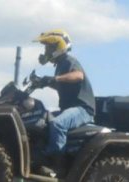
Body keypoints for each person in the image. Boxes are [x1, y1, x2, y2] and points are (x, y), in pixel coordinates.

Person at [33, 30, 95, 172]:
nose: (46, 51)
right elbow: (60, 84)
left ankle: (56, 162)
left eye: (49, 47)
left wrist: (55, 79)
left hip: (83, 109)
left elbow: (78, 76)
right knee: (42, 120)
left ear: (58, 47)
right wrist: (44, 82)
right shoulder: (60, 65)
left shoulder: (69, 60)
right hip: (69, 108)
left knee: (57, 123)